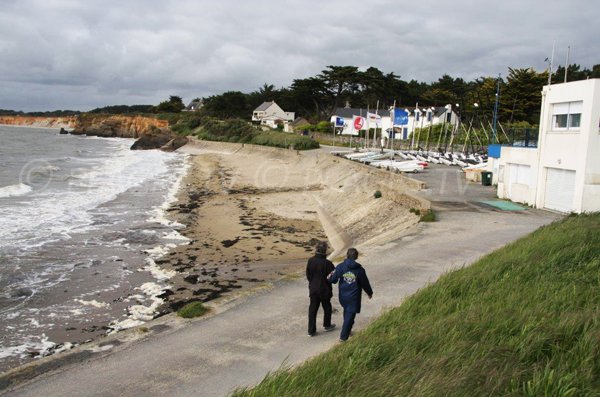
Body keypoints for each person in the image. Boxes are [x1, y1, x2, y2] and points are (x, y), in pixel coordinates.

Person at [328, 248, 373, 341]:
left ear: (347, 255)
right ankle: (343, 338)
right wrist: (369, 293)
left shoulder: (340, 267)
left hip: (343, 296)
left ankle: (348, 330)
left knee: (347, 311)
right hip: (354, 297)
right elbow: (365, 283)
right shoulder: (360, 270)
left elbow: (332, 279)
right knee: (350, 315)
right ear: (356, 257)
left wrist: (329, 276)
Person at [306, 241, 336, 336]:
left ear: (316, 249)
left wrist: (312, 283)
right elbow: (333, 278)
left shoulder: (311, 260)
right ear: (325, 251)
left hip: (314, 288)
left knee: (312, 309)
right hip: (325, 289)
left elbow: (308, 275)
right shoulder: (328, 263)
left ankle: (311, 331)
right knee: (327, 307)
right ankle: (327, 325)